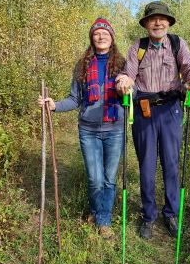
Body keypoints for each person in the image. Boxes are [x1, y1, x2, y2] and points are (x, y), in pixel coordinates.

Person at [116, 1, 190, 240]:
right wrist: (123, 81)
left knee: (171, 163)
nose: (158, 22)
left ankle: (171, 213)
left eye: (162, 19)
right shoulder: (138, 47)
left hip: (171, 109)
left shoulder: (177, 44)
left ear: (168, 22)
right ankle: (148, 215)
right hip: (144, 110)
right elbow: (128, 73)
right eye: (153, 19)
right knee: (146, 165)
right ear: (145, 24)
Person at [38, 17, 127, 240]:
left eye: (105, 33)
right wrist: (54, 105)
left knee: (109, 179)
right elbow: (74, 98)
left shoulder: (123, 65)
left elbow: (131, 93)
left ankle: (103, 218)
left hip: (115, 129)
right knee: (94, 179)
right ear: (91, 37)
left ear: (112, 37)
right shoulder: (83, 65)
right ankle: (96, 212)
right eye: (96, 33)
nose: (101, 36)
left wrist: (129, 92)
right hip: (88, 130)